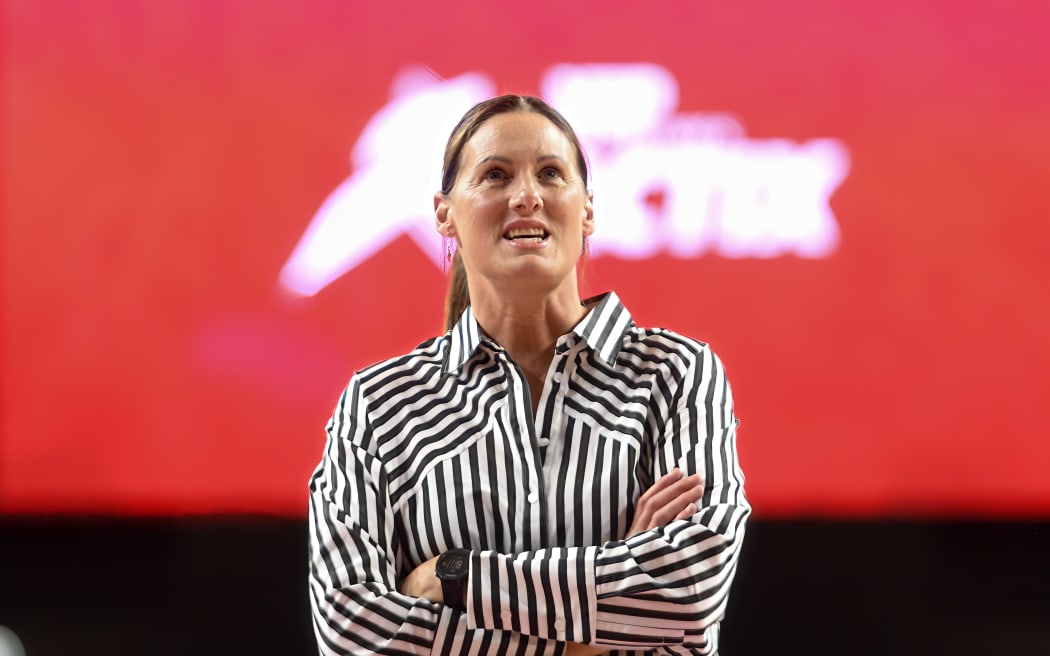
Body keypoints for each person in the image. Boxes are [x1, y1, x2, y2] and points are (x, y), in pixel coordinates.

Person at [308, 94, 749, 655]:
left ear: (587, 208)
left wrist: (455, 579)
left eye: (550, 173)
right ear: (445, 213)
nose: (526, 196)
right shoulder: (378, 404)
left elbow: (688, 590)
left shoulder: (676, 375)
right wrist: (598, 628)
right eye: (495, 175)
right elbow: (351, 633)